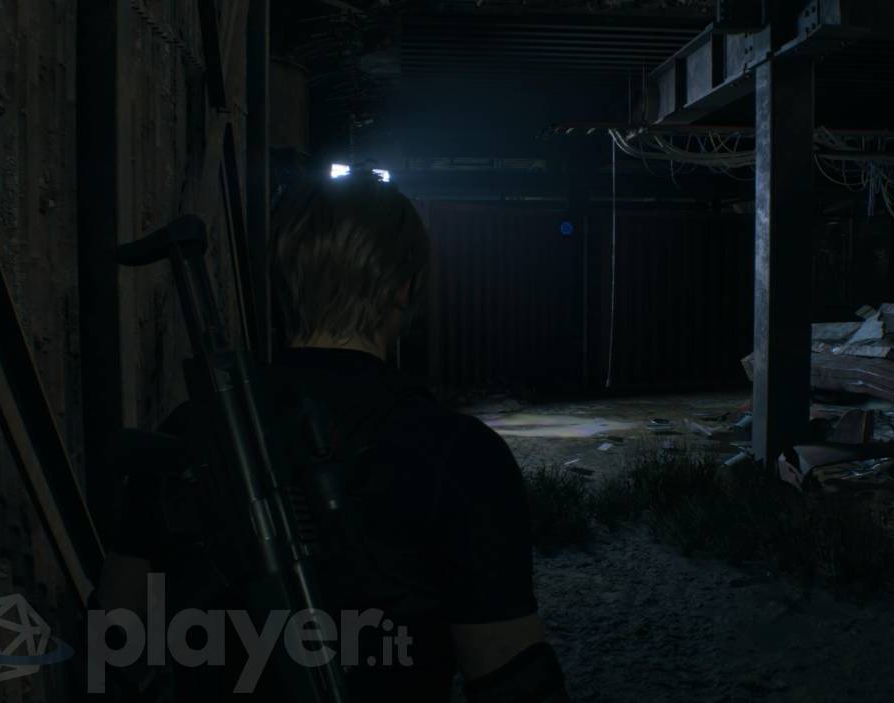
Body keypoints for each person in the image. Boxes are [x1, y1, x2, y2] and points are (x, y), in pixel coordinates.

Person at [97, 171, 567, 702]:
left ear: (281, 278)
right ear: (405, 287)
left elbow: (114, 632)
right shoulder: (461, 454)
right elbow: (510, 676)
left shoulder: (190, 430)